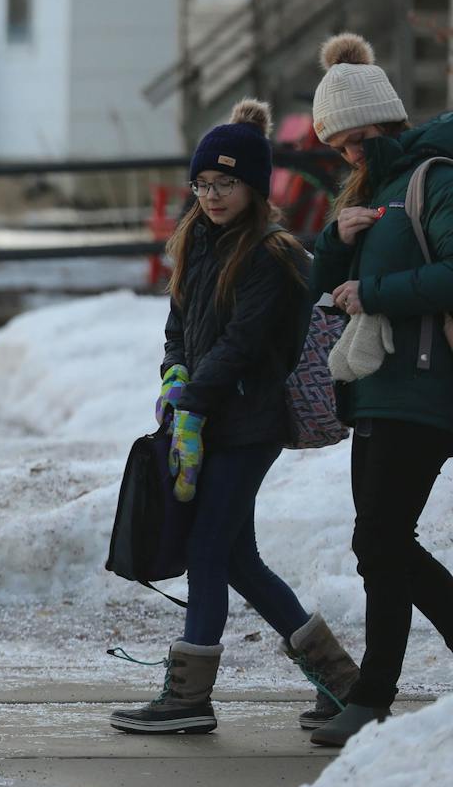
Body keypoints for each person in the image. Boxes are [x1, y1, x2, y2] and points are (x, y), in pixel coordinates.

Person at [110, 99, 360, 736]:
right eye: (204, 184)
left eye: (227, 184)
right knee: (238, 557)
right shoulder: (194, 241)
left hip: (250, 425)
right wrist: (173, 377)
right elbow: (179, 330)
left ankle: (190, 697)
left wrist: (191, 401)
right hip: (205, 420)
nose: (213, 196)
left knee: (207, 551)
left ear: (255, 188)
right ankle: (343, 683)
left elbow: (243, 345)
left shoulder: (271, 256)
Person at [307, 32, 453, 747]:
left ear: (378, 127)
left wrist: (374, 291)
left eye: (351, 143)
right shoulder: (374, 190)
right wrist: (338, 238)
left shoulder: (433, 176)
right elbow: (318, 288)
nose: (345, 158)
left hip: (426, 388)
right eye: (337, 149)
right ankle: (373, 694)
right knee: (379, 543)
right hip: (378, 390)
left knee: (381, 538)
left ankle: (372, 695)